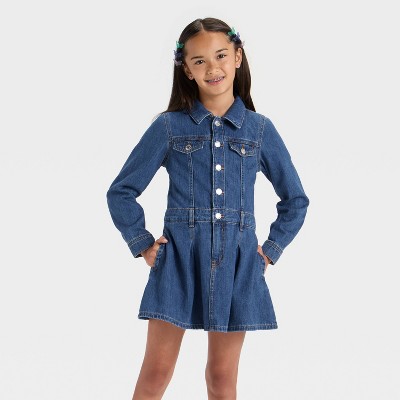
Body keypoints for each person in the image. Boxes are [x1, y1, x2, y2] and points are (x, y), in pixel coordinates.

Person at [106, 17, 310, 400]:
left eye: (220, 56)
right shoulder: (169, 127)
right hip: (178, 264)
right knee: (155, 374)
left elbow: (295, 200)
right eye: (199, 60)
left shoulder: (259, 130)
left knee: (221, 379)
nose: (212, 68)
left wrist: (270, 251)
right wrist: (142, 244)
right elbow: (121, 191)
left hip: (237, 266)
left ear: (237, 56)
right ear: (186, 69)